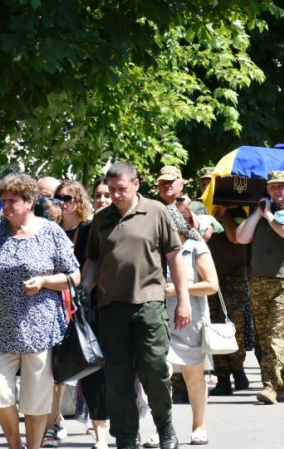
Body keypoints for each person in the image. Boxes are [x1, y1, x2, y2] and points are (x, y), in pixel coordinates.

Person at [82, 161, 191, 449]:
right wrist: (81, 292)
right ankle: (126, 438)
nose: (115, 195)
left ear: (136, 185)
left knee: (154, 369)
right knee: (118, 379)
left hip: (149, 304)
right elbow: (93, 261)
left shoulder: (156, 211)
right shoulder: (101, 219)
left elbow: (175, 258)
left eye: (121, 189)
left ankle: (165, 428)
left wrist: (183, 301)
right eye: (111, 189)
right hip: (111, 307)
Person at [0, 173, 81, 449]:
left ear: (29, 201)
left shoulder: (50, 232)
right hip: (2, 329)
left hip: (41, 328)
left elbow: (74, 275)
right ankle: (15, 444)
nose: (6, 206)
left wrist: (45, 282)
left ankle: (33, 446)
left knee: (36, 398)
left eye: (12, 200)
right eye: (3, 201)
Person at [236, 170, 284, 405]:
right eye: (272, 186)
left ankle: (270, 385)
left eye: (281, 186)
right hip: (259, 282)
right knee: (263, 339)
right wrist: (259, 214)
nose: (277, 190)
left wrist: (268, 216)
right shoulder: (261, 212)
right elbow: (241, 238)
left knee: (276, 334)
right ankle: (282, 382)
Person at [42, 181, 101, 448]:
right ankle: (53, 423)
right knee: (54, 367)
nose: (61, 202)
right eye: (57, 198)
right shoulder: (49, 229)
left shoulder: (89, 229)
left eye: (66, 198)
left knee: (86, 363)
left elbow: (91, 267)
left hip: (81, 304)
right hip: (52, 302)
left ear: (78, 200)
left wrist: (79, 295)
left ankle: (96, 425)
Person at [163, 203, 218, 446]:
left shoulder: (196, 247)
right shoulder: (157, 249)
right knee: (159, 373)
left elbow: (212, 285)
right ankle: (163, 428)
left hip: (191, 321)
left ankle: (199, 425)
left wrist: (178, 290)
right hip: (161, 320)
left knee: (193, 375)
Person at [206, 205, 250, 396]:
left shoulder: (237, 213)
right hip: (210, 278)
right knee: (213, 327)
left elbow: (235, 238)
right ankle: (223, 377)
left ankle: (238, 369)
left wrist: (224, 214)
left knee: (234, 325)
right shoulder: (203, 210)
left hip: (234, 277)